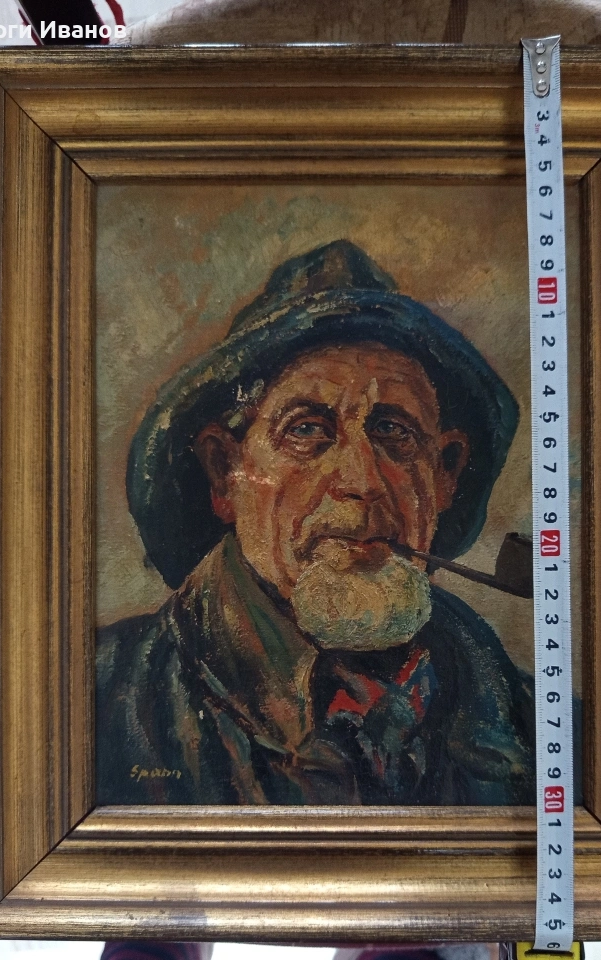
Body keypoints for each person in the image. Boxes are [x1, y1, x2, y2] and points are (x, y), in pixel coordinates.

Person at [97, 239, 536, 806]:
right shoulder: (98, 700)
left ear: (445, 473)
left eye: (393, 431)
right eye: (306, 430)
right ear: (225, 472)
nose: (362, 480)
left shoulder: (533, 726)